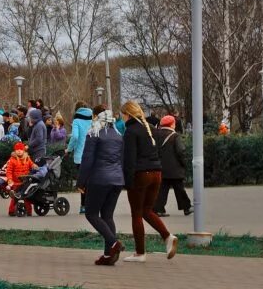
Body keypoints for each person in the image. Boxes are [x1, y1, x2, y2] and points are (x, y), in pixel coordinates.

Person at [120, 100, 175, 262]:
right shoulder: (150, 129)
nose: (121, 118)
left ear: (127, 114)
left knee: (136, 214)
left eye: (122, 115)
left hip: (140, 175)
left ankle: (140, 253)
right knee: (147, 210)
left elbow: (129, 160)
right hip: (156, 173)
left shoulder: (130, 131)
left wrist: (127, 182)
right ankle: (167, 236)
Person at [79, 106, 125, 265]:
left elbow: (87, 160)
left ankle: (113, 243)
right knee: (107, 216)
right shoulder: (118, 136)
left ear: (97, 118)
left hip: (99, 179)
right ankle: (108, 256)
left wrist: (81, 182)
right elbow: (121, 159)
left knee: (91, 214)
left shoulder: (94, 134)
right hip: (117, 180)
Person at [154, 115, 191, 217]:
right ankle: (186, 207)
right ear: (172, 124)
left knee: (162, 189)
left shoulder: (156, 134)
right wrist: (184, 163)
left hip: (160, 167)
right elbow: (180, 151)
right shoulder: (175, 136)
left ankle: (158, 209)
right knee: (179, 189)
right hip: (175, 169)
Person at [3, 142, 35, 216]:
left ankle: (29, 211)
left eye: (21, 149)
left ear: (23, 150)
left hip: (25, 182)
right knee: (15, 197)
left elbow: (31, 165)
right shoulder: (12, 160)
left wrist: (34, 166)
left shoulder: (27, 158)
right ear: (15, 151)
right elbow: (9, 171)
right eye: (17, 150)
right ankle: (11, 211)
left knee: (27, 197)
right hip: (16, 182)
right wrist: (10, 179)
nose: (19, 151)